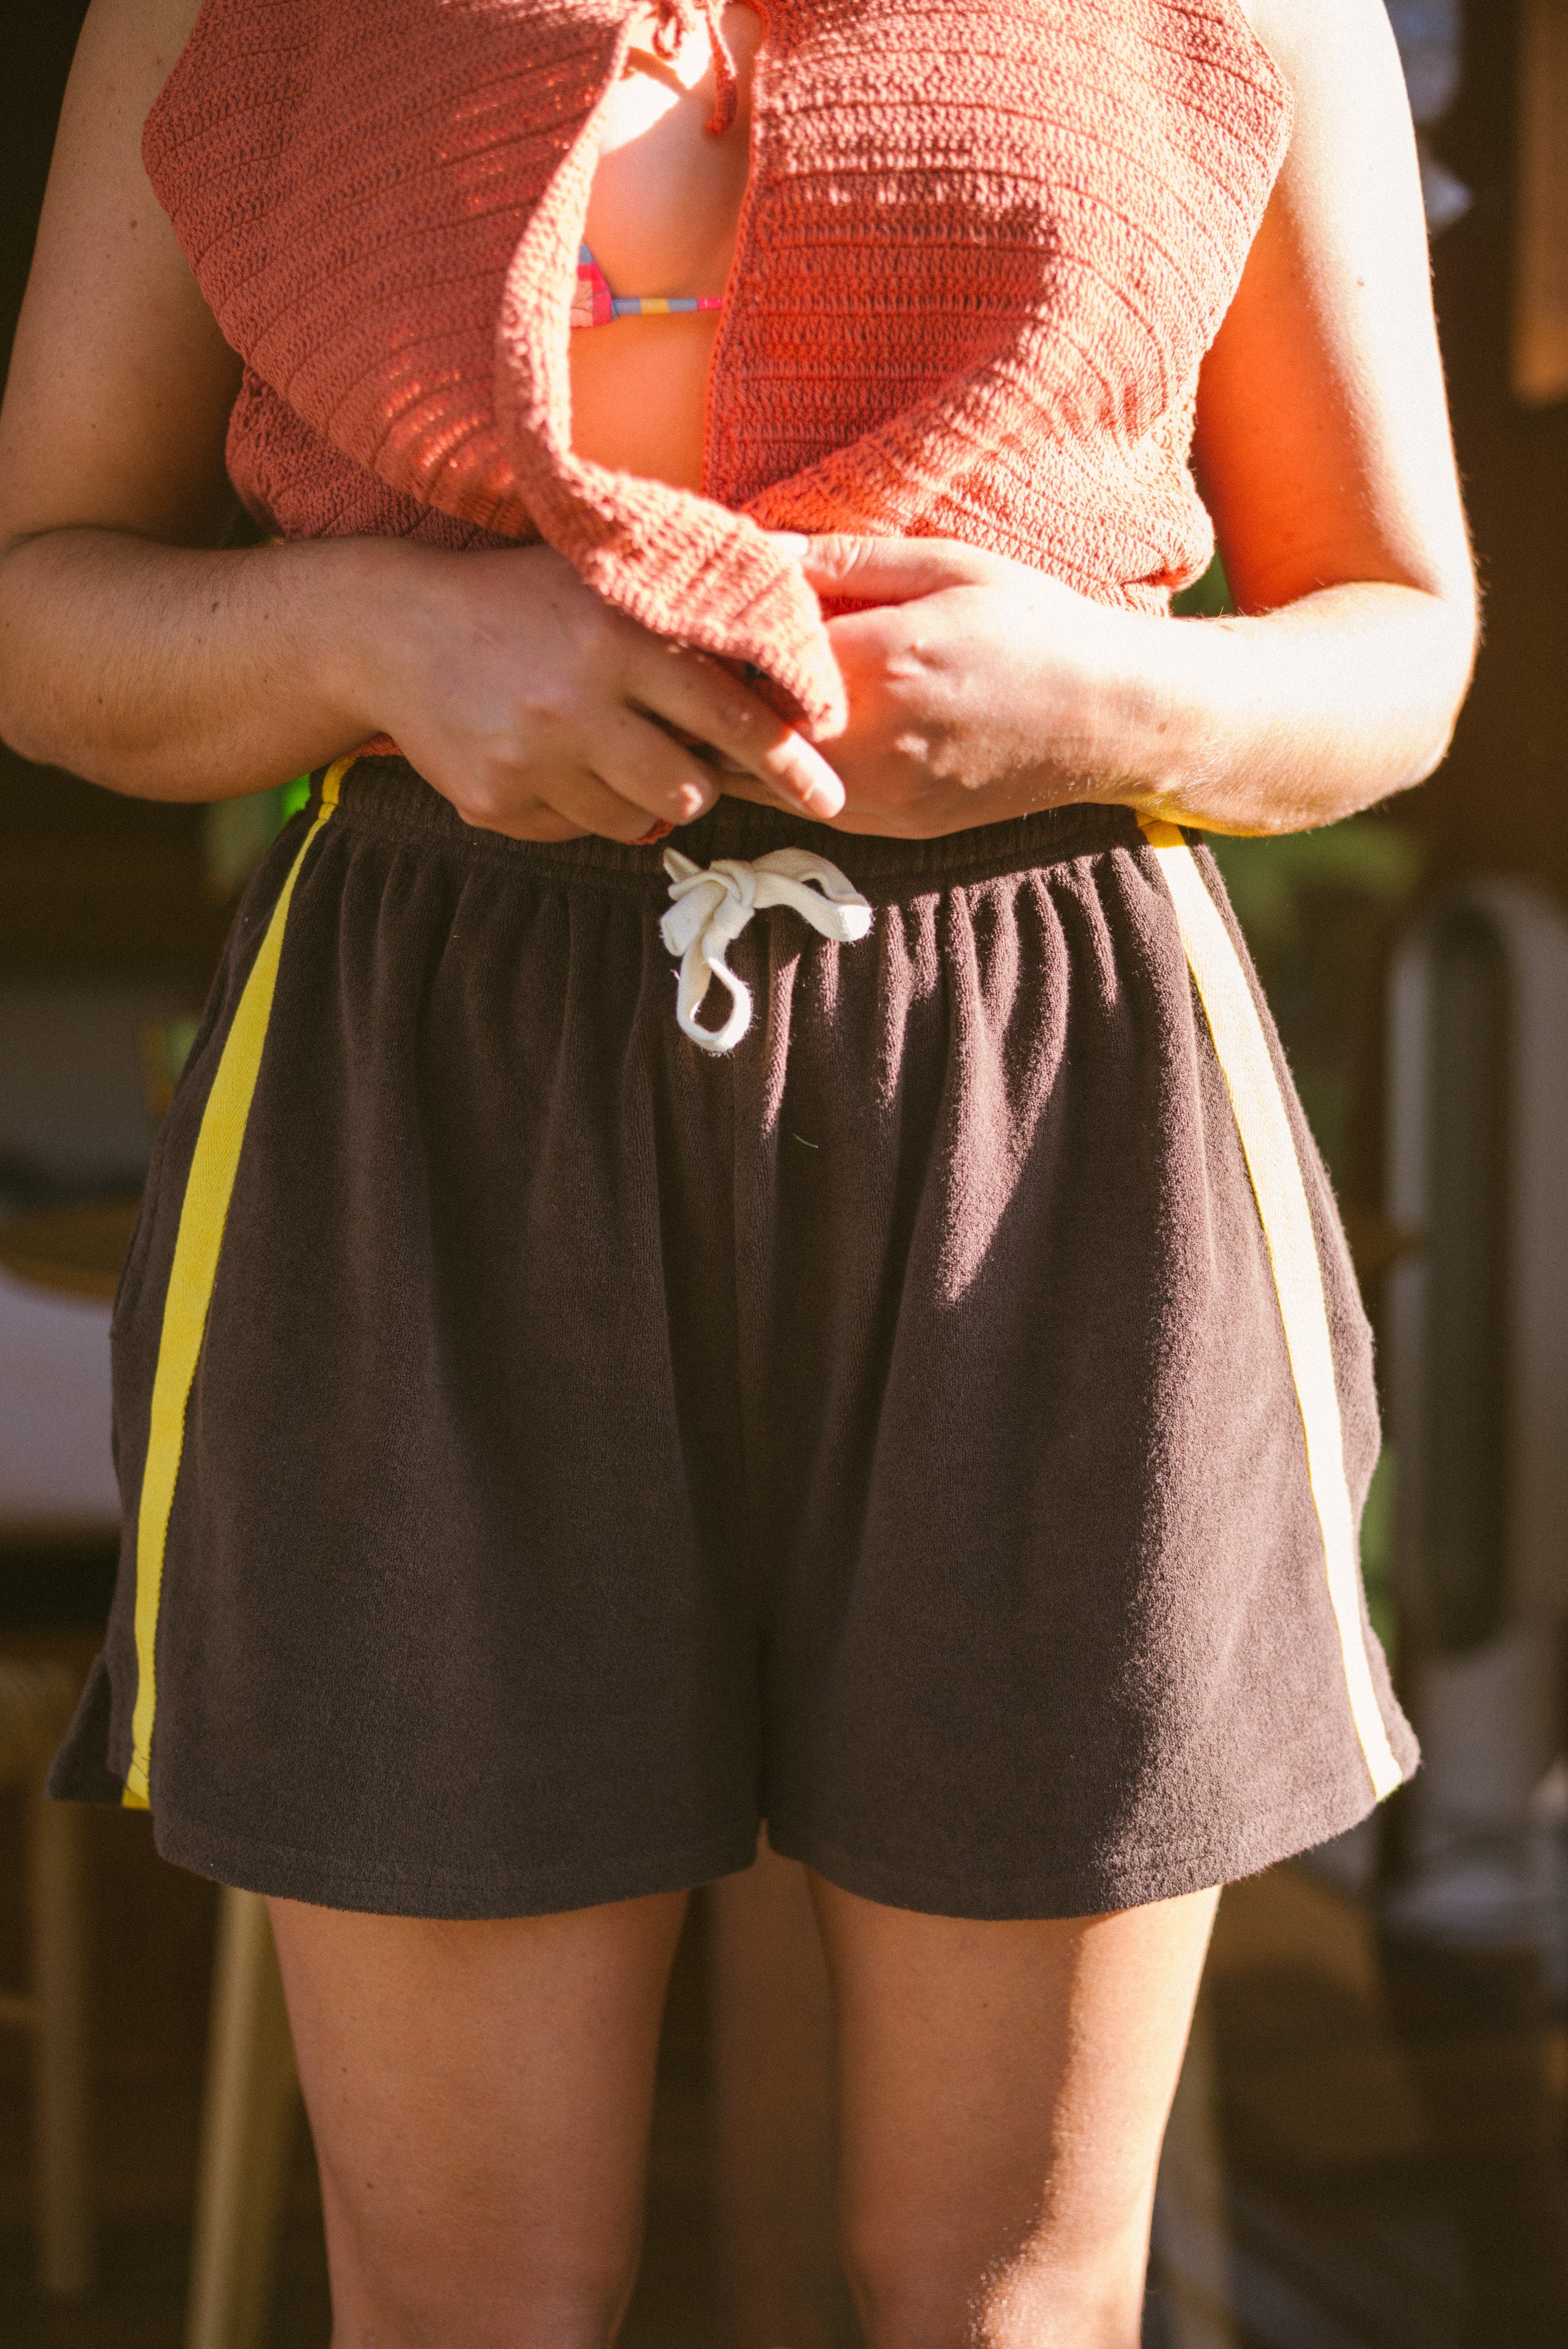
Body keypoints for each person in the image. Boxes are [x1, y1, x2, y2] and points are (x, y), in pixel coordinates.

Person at [0, 2, 1474, 2343]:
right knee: (463, 2295)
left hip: (1039, 1096)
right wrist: (370, 630)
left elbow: (1399, 643)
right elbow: (41, 603)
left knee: (1002, 2296)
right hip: (428, 1111)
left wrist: (1107, 703)